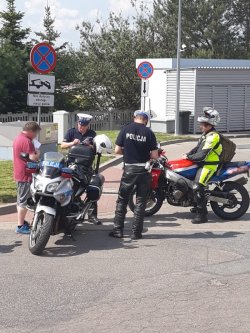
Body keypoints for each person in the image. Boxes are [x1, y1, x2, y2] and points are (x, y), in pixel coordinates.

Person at [109, 110, 159, 240]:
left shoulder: (126, 129)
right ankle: (136, 232)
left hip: (129, 170)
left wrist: (128, 152)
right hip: (143, 171)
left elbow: (117, 150)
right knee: (141, 201)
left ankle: (117, 230)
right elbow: (154, 155)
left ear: (134, 118)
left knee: (122, 199)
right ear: (146, 120)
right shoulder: (149, 133)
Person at [184, 108, 222, 224]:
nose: (200, 126)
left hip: (209, 165)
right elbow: (197, 148)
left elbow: (203, 154)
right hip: (202, 164)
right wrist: (187, 155)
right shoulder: (206, 134)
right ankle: (196, 204)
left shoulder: (213, 136)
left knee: (197, 185)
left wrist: (189, 158)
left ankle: (202, 215)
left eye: (203, 125)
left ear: (210, 125)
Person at [61, 113, 101, 225]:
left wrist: (90, 145)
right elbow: (62, 145)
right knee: (72, 187)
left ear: (88, 125)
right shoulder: (71, 132)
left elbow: (96, 148)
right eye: (80, 124)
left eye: (84, 125)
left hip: (86, 166)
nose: (81, 127)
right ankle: (72, 210)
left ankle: (92, 216)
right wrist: (72, 143)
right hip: (72, 164)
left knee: (91, 188)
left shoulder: (92, 134)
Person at [13, 122, 41, 234]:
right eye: (36, 133)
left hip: (19, 172)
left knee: (20, 199)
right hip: (25, 173)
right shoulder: (26, 141)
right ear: (31, 131)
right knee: (23, 201)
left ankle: (21, 222)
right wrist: (38, 152)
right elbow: (33, 157)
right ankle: (20, 226)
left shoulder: (18, 138)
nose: (36, 135)